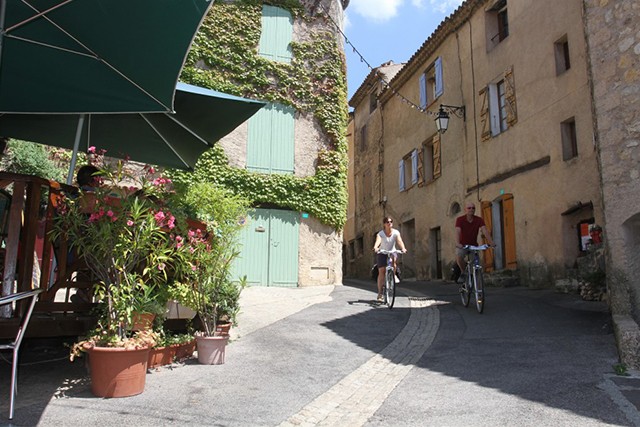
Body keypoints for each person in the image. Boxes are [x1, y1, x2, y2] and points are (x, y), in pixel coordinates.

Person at [455, 202, 495, 283]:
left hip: (474, 246)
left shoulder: (479, 220)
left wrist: (491, 242)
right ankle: (463, 272)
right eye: (469, 208)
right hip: (463, 245)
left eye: (473, 208)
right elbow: (457, 231)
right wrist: (458, 243)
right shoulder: (460, 220)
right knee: (459, 257)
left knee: (477, 266)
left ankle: (479, 291)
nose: (471, 210)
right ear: (465, 210)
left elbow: (485, 231)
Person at [372, 216, 407, 302]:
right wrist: (376, 247)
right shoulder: (380, 234)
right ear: (384, 224)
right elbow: (378, 241)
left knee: (394, 261)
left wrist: (403, 248)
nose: (389, 223)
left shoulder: (396, 232)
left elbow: (399, 241)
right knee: (382, 271)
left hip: (392, 251)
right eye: (387, 222)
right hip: (382, 252)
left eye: (391, 222)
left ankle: (393, 274)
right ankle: (380, 293)